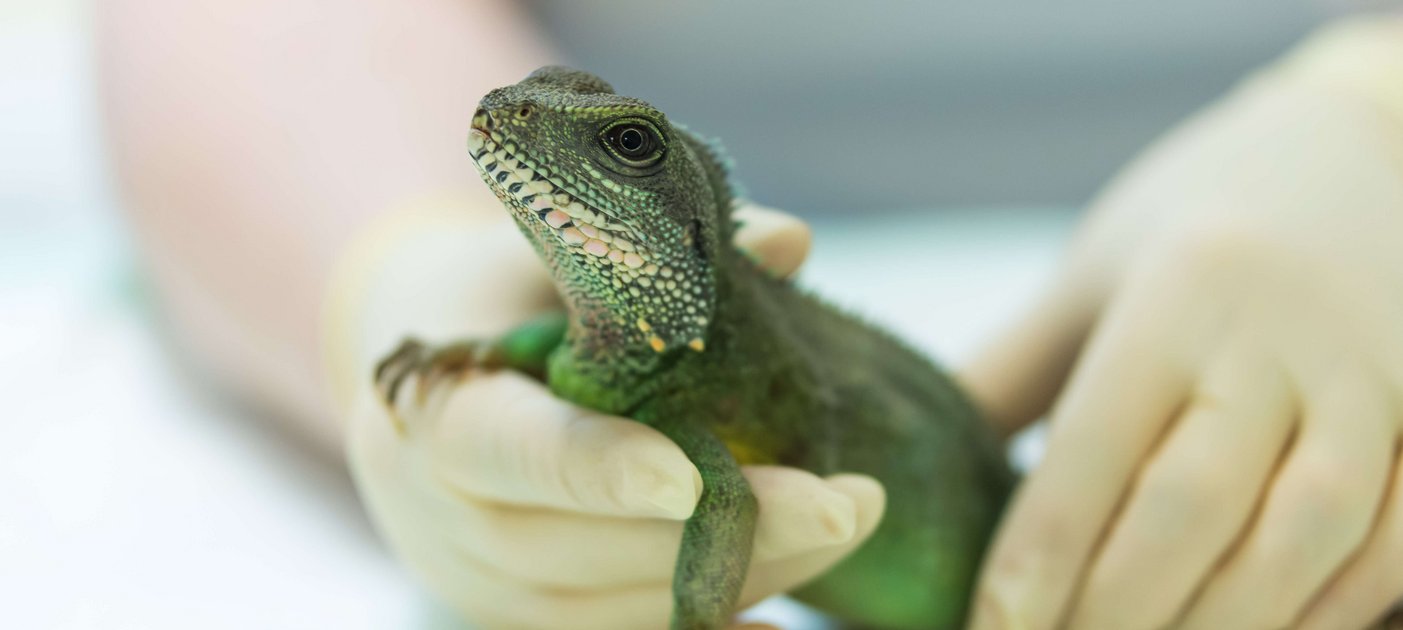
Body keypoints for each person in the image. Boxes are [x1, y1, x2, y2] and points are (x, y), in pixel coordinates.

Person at [100, 0, 1403, 627]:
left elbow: (722, 502)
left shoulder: (712, 363)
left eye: (612, 146)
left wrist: (1379, 99)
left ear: (677, 212)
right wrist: (395, 273)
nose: (536, 143)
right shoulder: (628, 343)